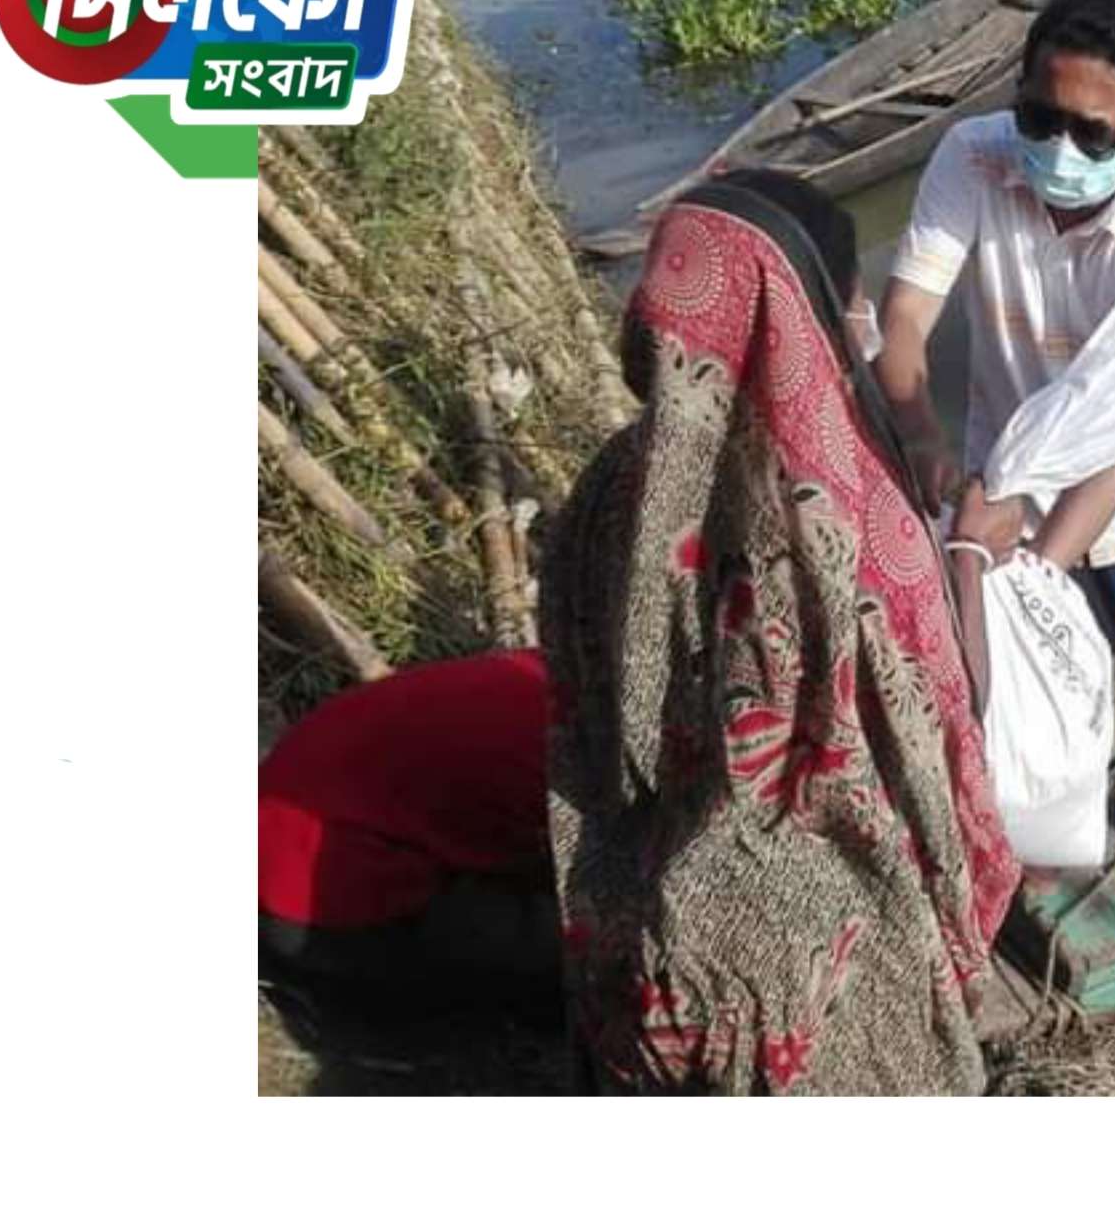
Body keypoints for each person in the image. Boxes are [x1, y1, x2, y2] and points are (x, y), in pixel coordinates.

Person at [540, 173, 1019, 1096]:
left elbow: (582, 715)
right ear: (816, 313)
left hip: (631, 937)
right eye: (852, 300)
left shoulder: (606, 491)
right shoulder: (840, 520)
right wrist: (966, 554)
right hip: (820, 968)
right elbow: (943, 740)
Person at [874, 0, 1115, 886]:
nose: (1058, 148)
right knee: (1002, 667)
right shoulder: (974, 156)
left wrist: (1041, 564)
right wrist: (920, 433)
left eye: (1093, 133)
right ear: (1017, 93)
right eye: (1039, 114)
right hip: (1004, 476)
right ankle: (1013, 816)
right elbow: (908, 311)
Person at [258, 648, 560, 1001]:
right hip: (313, 906)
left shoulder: (561, 671)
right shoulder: (576, 755)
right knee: (585, 956)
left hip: (287, 833)